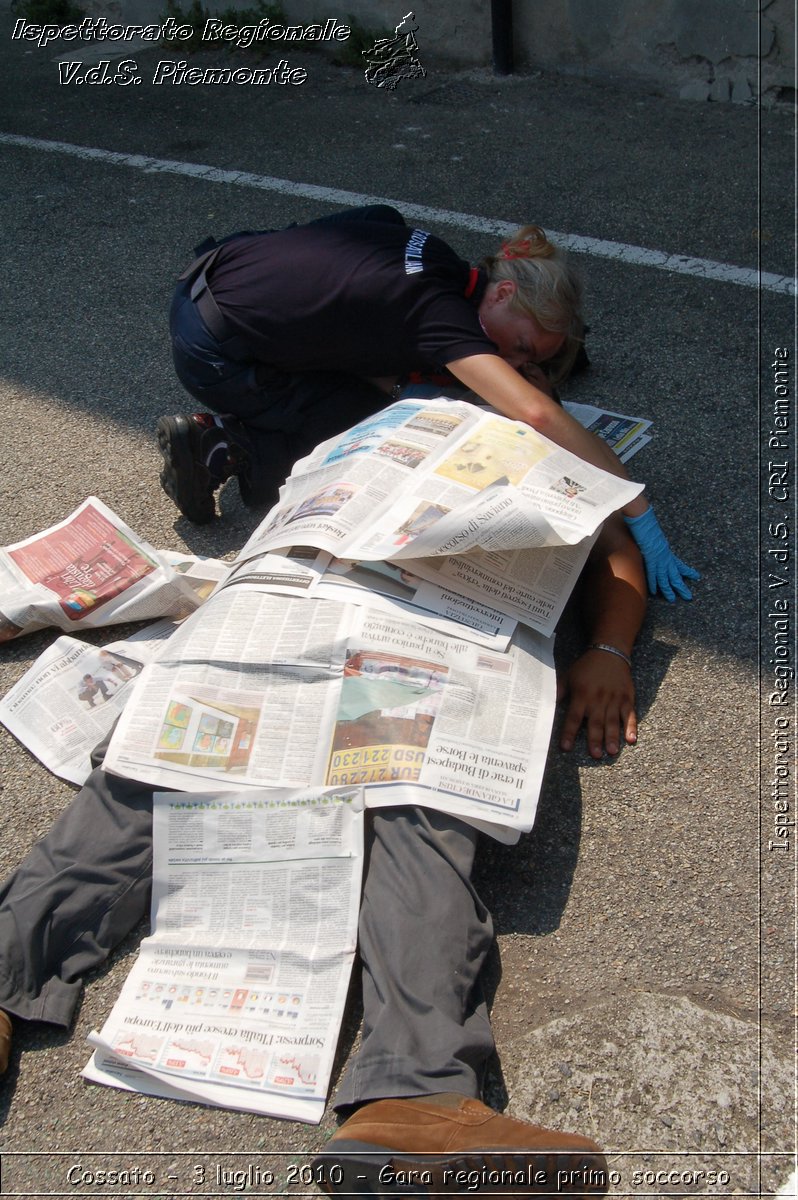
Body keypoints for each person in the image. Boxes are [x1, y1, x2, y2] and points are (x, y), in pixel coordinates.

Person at [0, 507, 645, 1196]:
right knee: (155, 772)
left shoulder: (544, 446)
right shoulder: (360, 411)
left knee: (413, 812)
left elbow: (615, 547)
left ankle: (415, 1103)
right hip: (280, 614)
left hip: (430, 639)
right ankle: (419, 1089)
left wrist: (608, 651)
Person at [158, 205, 699, 602]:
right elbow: (538, 413)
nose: (510, 361)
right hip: (214, 350)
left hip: (222, 268)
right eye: (520, 347)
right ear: (505, 293)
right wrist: (639, 511)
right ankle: (226, 444)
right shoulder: (438, 313)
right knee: (363, 437)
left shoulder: (440, 259)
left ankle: (265, 402)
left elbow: (368, 229)